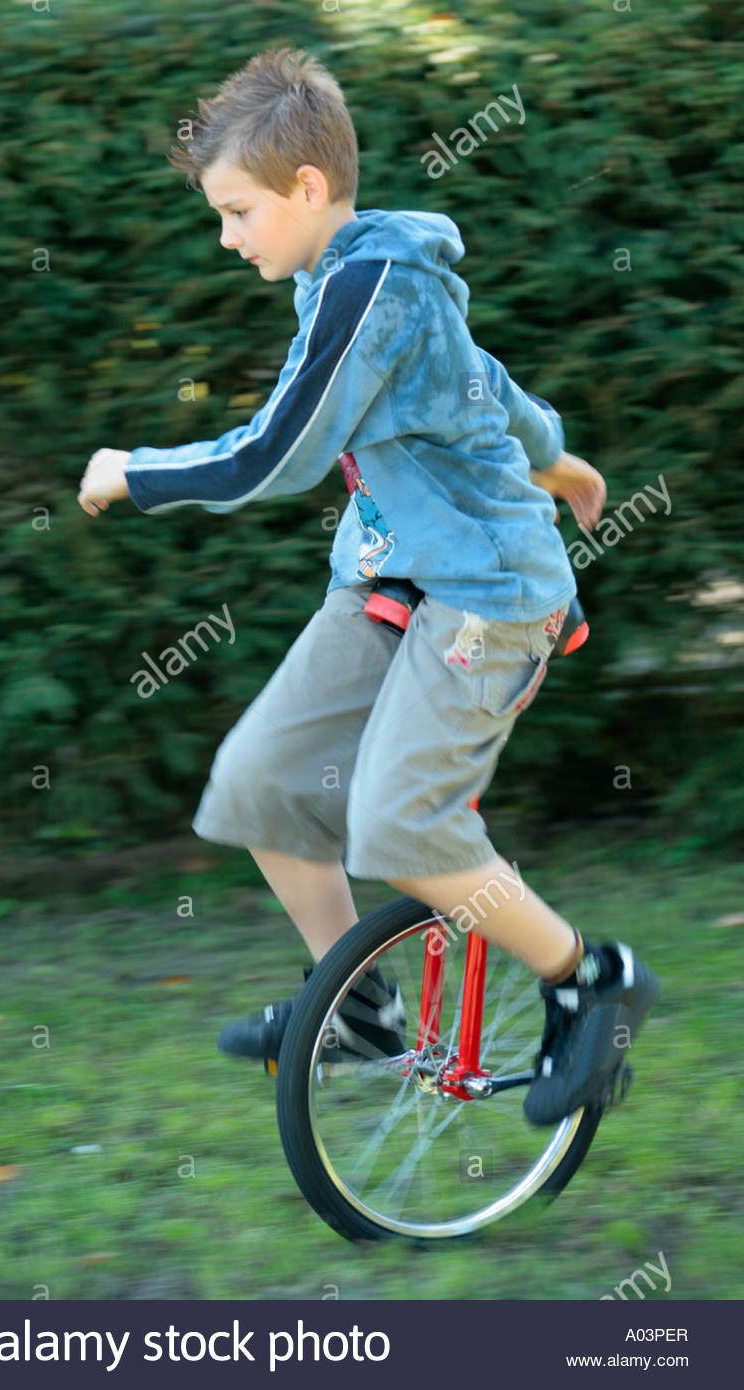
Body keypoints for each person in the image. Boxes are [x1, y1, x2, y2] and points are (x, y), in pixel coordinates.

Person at [77, 47, 658, 1125]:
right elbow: (477, 381)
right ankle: (361, 1006)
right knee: (257, 780)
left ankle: (591, 978)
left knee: (398, 824)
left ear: (305, 189)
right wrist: (560, 457)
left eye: (236, 210)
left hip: (486, 596)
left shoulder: (372, 283)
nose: (225, 236)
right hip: (388, 580)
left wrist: (132, 472)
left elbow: (274, 456)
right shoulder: (344, 277)